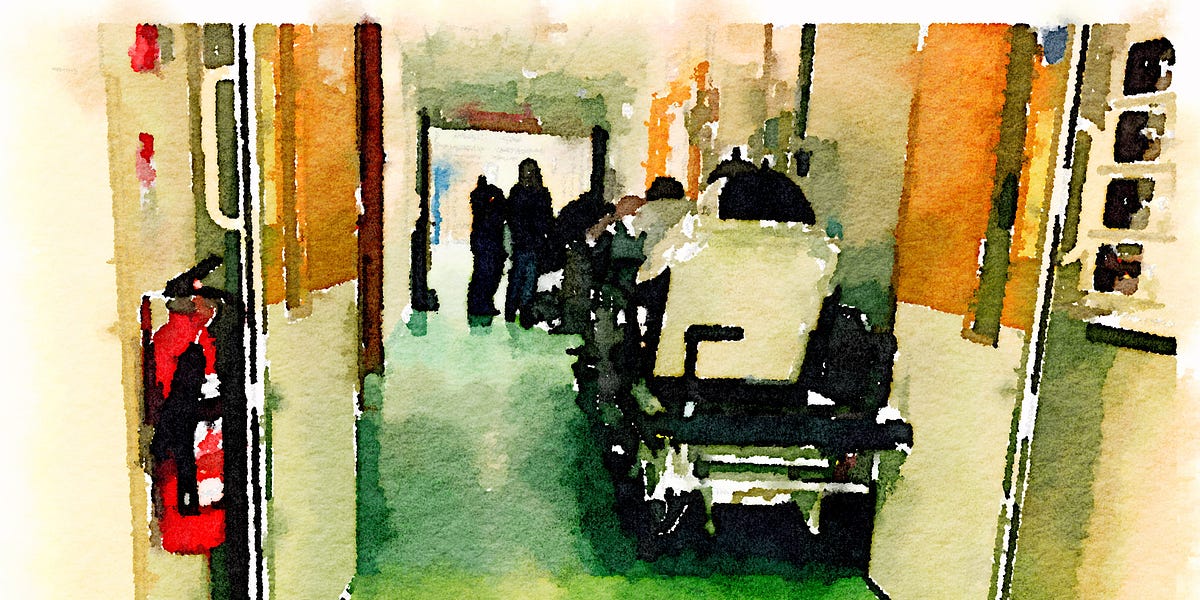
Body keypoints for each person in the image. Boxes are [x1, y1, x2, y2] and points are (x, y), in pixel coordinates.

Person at [505, 158, 554, 325]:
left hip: (534, 243)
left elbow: (546, 218)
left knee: (529, 280)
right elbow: (513, 218)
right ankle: (512, 312)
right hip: (523, 243)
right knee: (518, 278)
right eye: (525, 172)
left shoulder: (541, 193)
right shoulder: (517, 192)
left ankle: (523, 312)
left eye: (530, 172)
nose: (528, 175)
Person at [466, 175, 507, 320]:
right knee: (486, 274)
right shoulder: (488, 205)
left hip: (484, 242)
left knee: (484, 274)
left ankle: (480, 304)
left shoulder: (481, 202)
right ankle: (481, 304)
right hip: (487, 243)